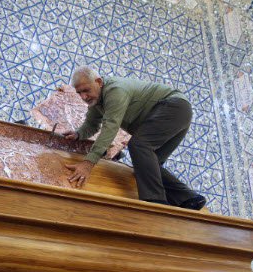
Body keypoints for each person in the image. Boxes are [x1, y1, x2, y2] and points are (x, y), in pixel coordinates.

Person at [61, 66, 207, 210]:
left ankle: (155, 202)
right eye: (79, 93)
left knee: (139, 145)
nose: (83, 97)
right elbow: (91, 124)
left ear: (98, 82)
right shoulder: (97, 101)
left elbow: (110, 127)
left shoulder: (115, 91)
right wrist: (78, 134)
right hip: (178, 113)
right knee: (146, 166)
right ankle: (189, 198)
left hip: (174, 107)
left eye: (86, 90)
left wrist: (88, 163)